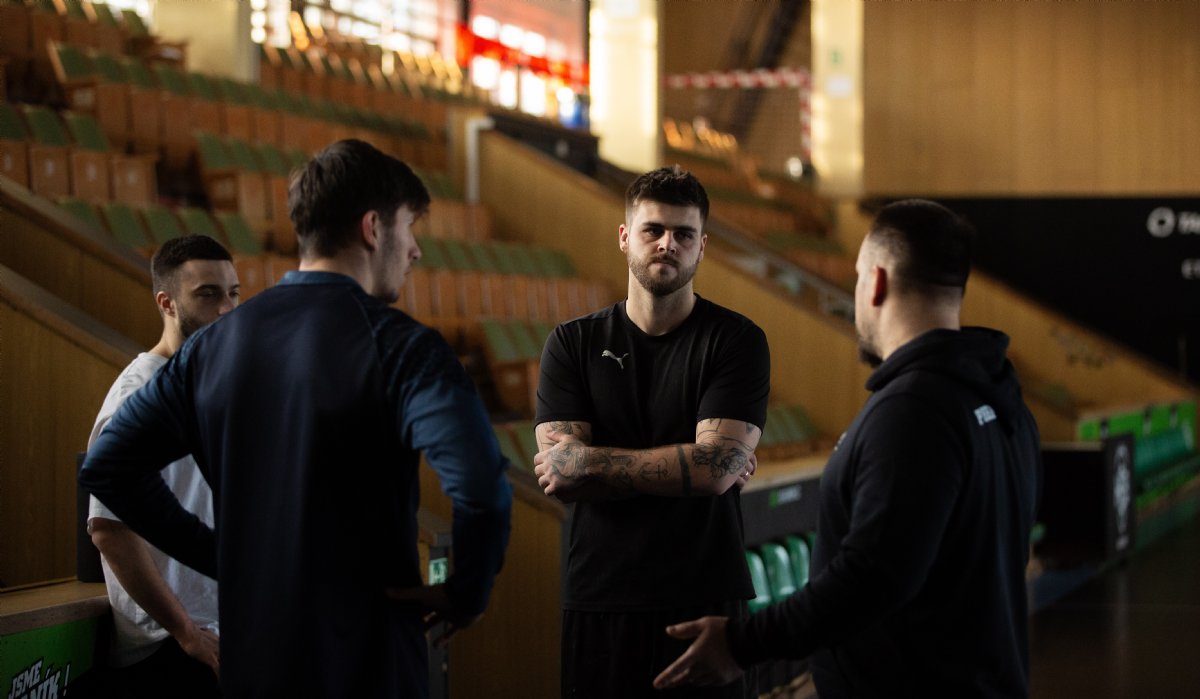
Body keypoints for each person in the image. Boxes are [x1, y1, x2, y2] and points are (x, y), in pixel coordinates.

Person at [81, 139, 514, 697]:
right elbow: (481, 487)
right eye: (409, 227)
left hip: (252, 660)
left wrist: (221, 556)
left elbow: (109, 466)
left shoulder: (210, 348)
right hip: (369, 661)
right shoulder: (404, 346)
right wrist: (465, 593)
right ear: (373, 228)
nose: (415, 250)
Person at [654, 199, 1042, 698]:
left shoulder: (914, 412)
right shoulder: (1001, 400)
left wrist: (741, 642)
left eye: (858, 278)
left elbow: (873, 576)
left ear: (876, 281)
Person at [533, 166, 770, 698]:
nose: (668, 244)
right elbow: (561, 478)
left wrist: (591, 461)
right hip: (601, 597)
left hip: (705, 599)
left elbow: (716, 471)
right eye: (653, 230)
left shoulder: (737, 341)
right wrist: (697, 467)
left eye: (684, 234)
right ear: (625, 237)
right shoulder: (571, 344)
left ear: (702, 246)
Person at [87, 234, 238, 698]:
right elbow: (109, 530)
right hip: (170, 648)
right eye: (208, 294)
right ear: (167, 303)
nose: (227, 309)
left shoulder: (215, 387)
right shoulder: (134, 395)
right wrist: (185, 632)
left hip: (223, 634)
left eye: (233, 293)